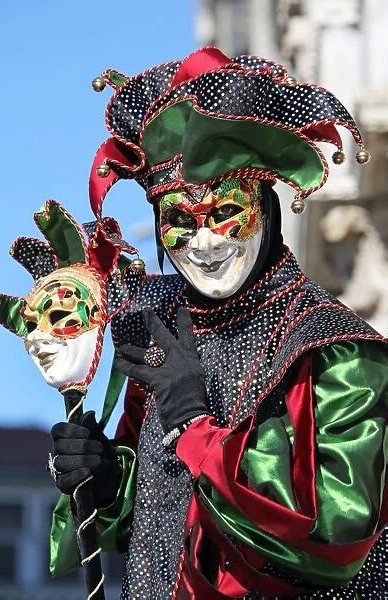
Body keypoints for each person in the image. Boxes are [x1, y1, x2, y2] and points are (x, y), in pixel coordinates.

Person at [48, 48, 388, 598]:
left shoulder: (336, 352)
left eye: (226, 212)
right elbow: (159, 521)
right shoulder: (158, 327)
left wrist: (194, 422)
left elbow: (333, 536)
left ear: (265, 204)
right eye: (180, 220)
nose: (206, 243)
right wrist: (107, 481)